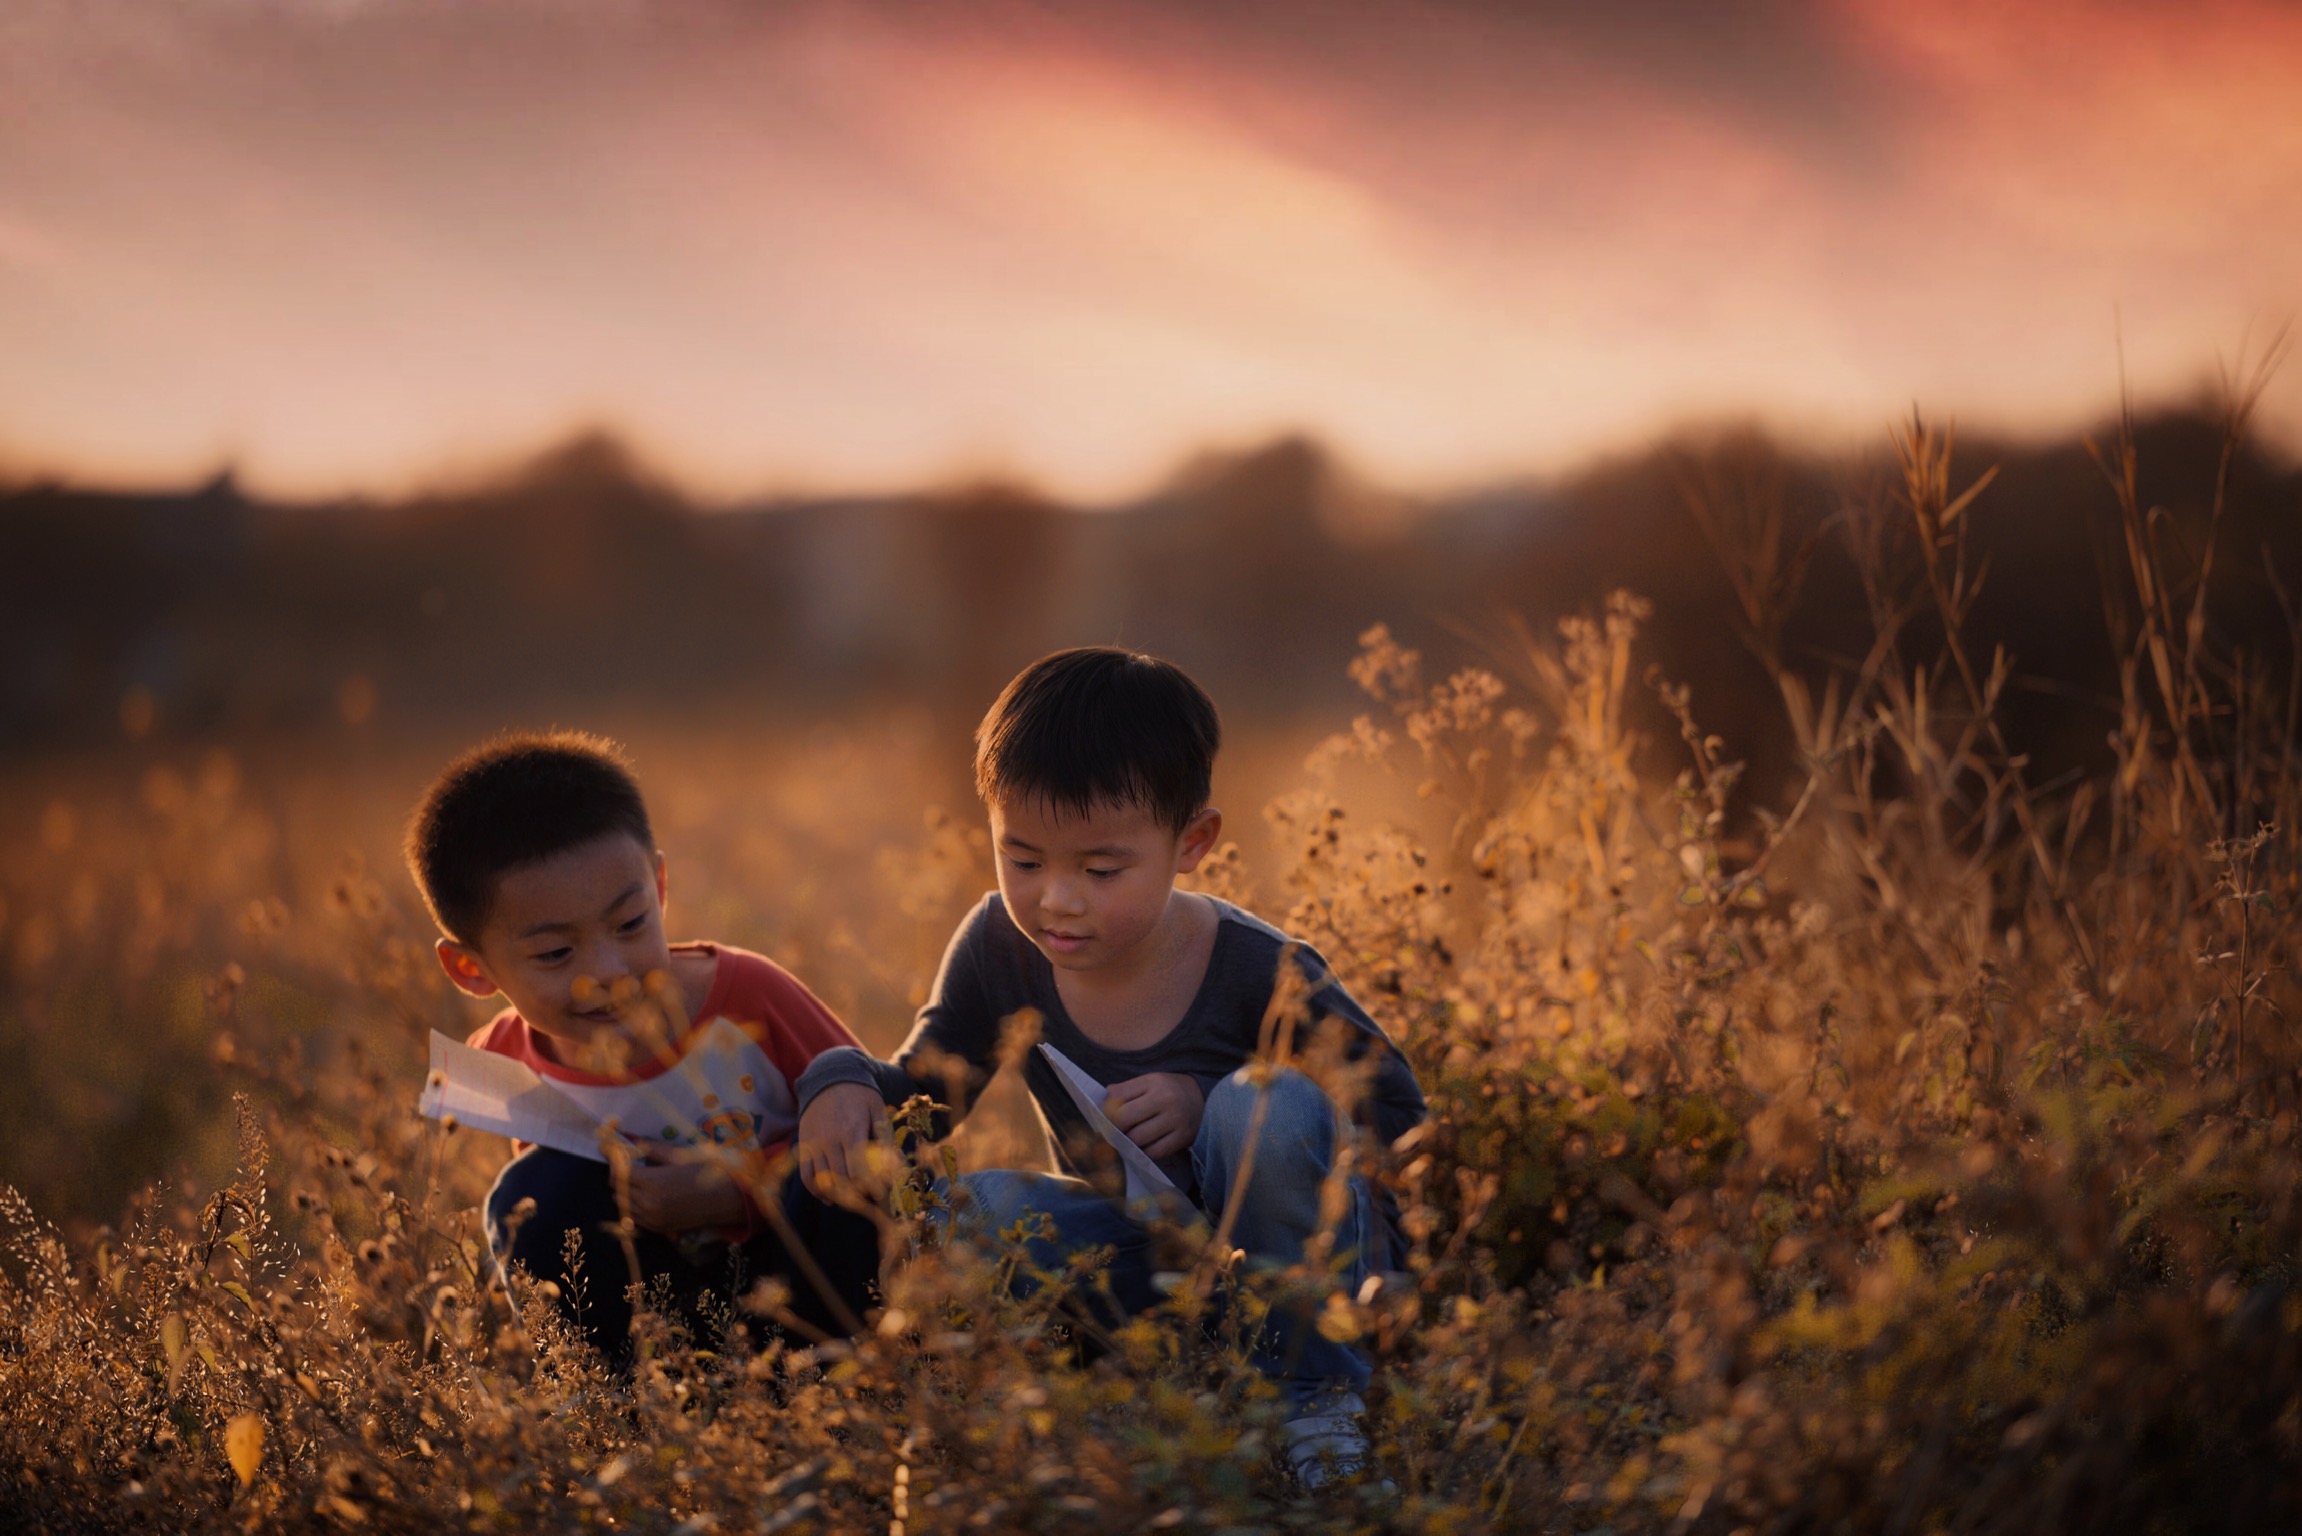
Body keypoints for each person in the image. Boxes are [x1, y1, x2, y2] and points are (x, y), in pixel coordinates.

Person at [794, 648, 1426, 1487]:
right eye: (1024, 861)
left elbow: (1396, 1119)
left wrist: (1207, 1105)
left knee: (1262, 1106)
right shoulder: (999, 950)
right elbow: (926, 1095)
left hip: (1301, 1279)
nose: (1057, 898)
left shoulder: (1262, 970)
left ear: (1191, 842)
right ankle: (1121, 1388)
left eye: (1100, 870)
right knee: (977, 1210)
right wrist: (838, 1077)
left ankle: (1314, 1407)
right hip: (1144, 1266)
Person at [405, 731, 879, 1361]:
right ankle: (635, 1396)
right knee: (532, 1196)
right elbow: (567, 1224)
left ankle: (856, 1371)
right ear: (472, 970)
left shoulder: (748, 996)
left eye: (630, 924)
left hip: (814, 1290)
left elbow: (886, 1128)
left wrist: (735, 1193)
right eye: (556, 953)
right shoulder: (500, 1065)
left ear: (658, 886)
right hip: (668, 1310)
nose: (609, 970)